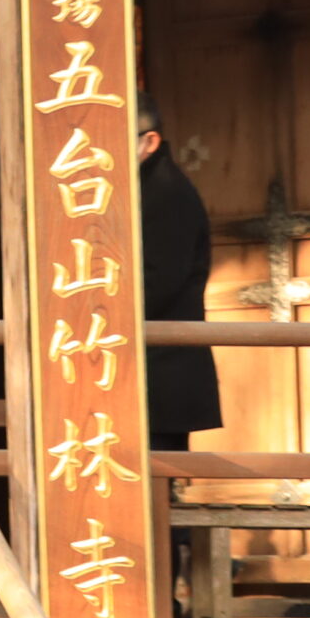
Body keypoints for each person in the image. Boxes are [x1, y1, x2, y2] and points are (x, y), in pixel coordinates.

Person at [137, 91, 222, 452]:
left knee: (153, 486)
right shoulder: (138, 188)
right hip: (139, 362)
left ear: (150, 141)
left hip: (162, 365)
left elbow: (160, 281)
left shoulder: (167, 193)